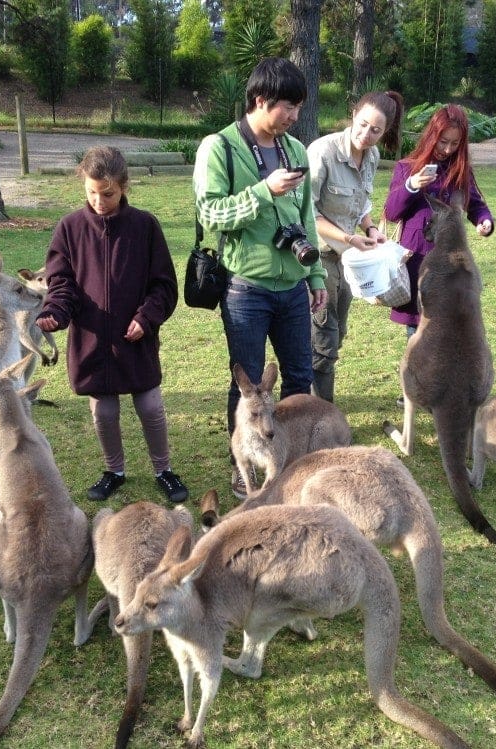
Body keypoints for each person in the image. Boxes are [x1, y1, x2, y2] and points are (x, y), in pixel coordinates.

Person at [193, 57, 327, 499]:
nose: (293, 117)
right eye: (287, 107)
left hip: (292, 286)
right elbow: (209, 213)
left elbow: (305, 216)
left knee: (299, 377)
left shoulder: (296, 150)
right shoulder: (221, 148)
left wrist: (316, 274)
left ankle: (289, 461)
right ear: (260, 99)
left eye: (298, 108)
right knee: (248, 382)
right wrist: (262, 191)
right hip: (245, 288)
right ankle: (243, 465)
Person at [36, 146, 188, 504]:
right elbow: (61, 284)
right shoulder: (69, 228)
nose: (99, 201)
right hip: (91, 341)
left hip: (135, 338)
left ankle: (163, 470)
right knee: (103, 410)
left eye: (108, 193)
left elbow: (164, 286)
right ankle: (114, 470)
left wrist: (146, 317)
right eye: (92, 193)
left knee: (150, 406)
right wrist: (56, 312)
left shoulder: (145, 226)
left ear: (123, 188)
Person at [306, 90, 404, 402]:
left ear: (385, 131)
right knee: (324, 336)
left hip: (350, 259)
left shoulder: (372, 156)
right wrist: (348, 238)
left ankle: (311, 401)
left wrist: (371, 229)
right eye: (362, 125)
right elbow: (306, 212)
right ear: (353, 115)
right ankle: (319, 415)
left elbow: (361, 203)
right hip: (318, 256)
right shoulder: (322, 151)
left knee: (338, 333)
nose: (365, 135)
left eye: (375, 130)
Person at [384, 103, 494, 343]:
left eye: (454, 144)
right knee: (419, 333)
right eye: (443, 141)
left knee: (450, 328)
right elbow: (392, 212)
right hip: (417, 260)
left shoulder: (461, 170)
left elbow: (475, 204)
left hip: (450, 264)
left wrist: (484, 221)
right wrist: (412, 185)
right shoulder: (407, 167)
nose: (447, 149)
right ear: (433, 135)